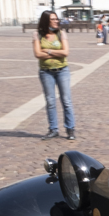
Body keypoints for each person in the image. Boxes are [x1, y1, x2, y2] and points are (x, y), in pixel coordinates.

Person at [32, 10, 75, 141]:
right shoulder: (37, 35)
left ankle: (70, 129)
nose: (56, 21)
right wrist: (57, 52)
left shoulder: (61, 34)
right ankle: (53, 129)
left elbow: (66, 52)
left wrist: (48, 50)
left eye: (57, 19)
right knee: (50, 101)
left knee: (66, 101)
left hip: (62, 70)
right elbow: (37, 54)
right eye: (53, 19)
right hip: (46, 72)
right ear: (46, 21)